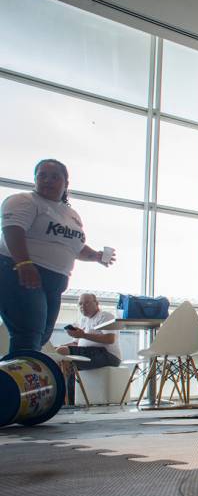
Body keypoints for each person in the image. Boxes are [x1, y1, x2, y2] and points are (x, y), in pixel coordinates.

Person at [0, 159, 114, 353]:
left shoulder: (71, 214)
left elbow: (74, 246)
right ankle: (19, 382)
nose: (47, 180)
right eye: (42, 176)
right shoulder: (24, 201)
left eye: (54, 177)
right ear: (35, 179)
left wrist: (96, 256)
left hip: (54, 281)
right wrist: (24, 264)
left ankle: (24, 379)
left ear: (65, 183)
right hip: (21, 273)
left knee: (42, 335)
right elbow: (12, 230)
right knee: (29, 333)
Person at [55, 293, 122, 401]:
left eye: (87, 303)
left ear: (97, 303)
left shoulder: (105, 316)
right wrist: (58, 347)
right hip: (90, 353)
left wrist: (83, 335)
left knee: (63, 354)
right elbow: (76, 343)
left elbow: (110, 339)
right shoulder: (83, 320)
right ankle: (67, 400)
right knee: (58, 354)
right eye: (80, 304)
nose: (83, 306)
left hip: (107, 355)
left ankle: (67, 401)